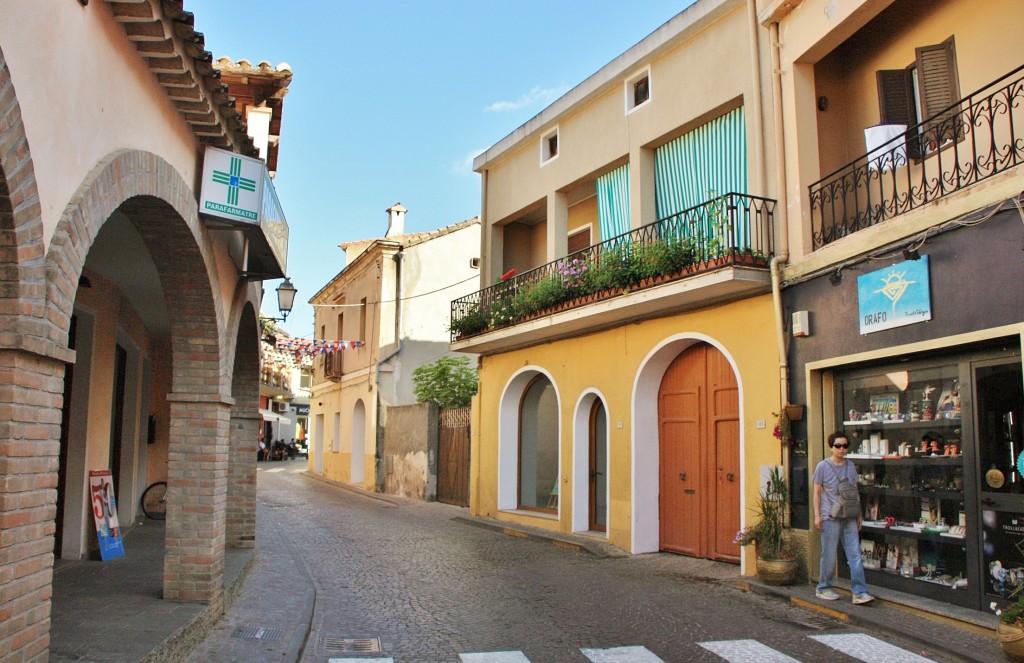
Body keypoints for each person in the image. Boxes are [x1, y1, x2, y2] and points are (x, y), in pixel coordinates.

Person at [813, 431, 874, 604]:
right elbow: (816, 493)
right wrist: (817, 516)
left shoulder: (851, 466)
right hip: (830, 516)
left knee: (854, 554)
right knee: (829, 554)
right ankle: (823, 587)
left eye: (845, 446)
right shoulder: (822, 467)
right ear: (831, 447)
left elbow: (855, 491)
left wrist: (859, 514)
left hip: (849, 516)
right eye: (838, 446)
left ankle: (859, 592)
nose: (841, 449)